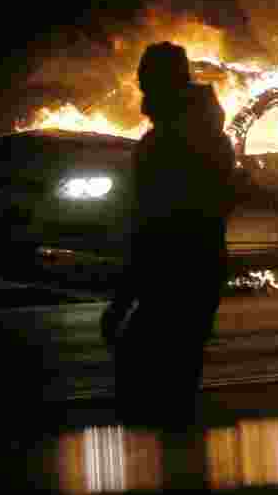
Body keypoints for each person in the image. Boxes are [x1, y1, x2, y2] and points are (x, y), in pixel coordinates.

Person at [102, 41, 237, 429]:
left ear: (163, 84)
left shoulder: (167, 144)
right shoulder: (209, 135)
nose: (142, 92)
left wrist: (122, 300)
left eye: (147, 83)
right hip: (201, 270)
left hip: (175, 276)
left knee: (147, 385)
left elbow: (151, 227)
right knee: (176, 389)